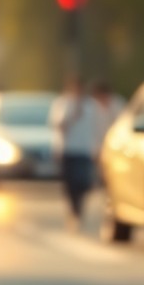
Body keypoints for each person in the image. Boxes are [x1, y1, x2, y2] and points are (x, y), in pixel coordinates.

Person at [50, 75, 100, 234]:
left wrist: (98, 148)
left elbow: (97, 128)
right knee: (70, 184)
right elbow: (58, 125)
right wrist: (73, 114)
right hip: (68, 149)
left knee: (83, 183)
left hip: (85, 150)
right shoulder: (62, 103)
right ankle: (73, 210)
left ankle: (79, 211)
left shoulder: (91, 106)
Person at [90, 80, 125, 149]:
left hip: (116, 144)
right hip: (98, 146)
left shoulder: (118, 104)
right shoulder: (92, 106)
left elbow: (123, 124)